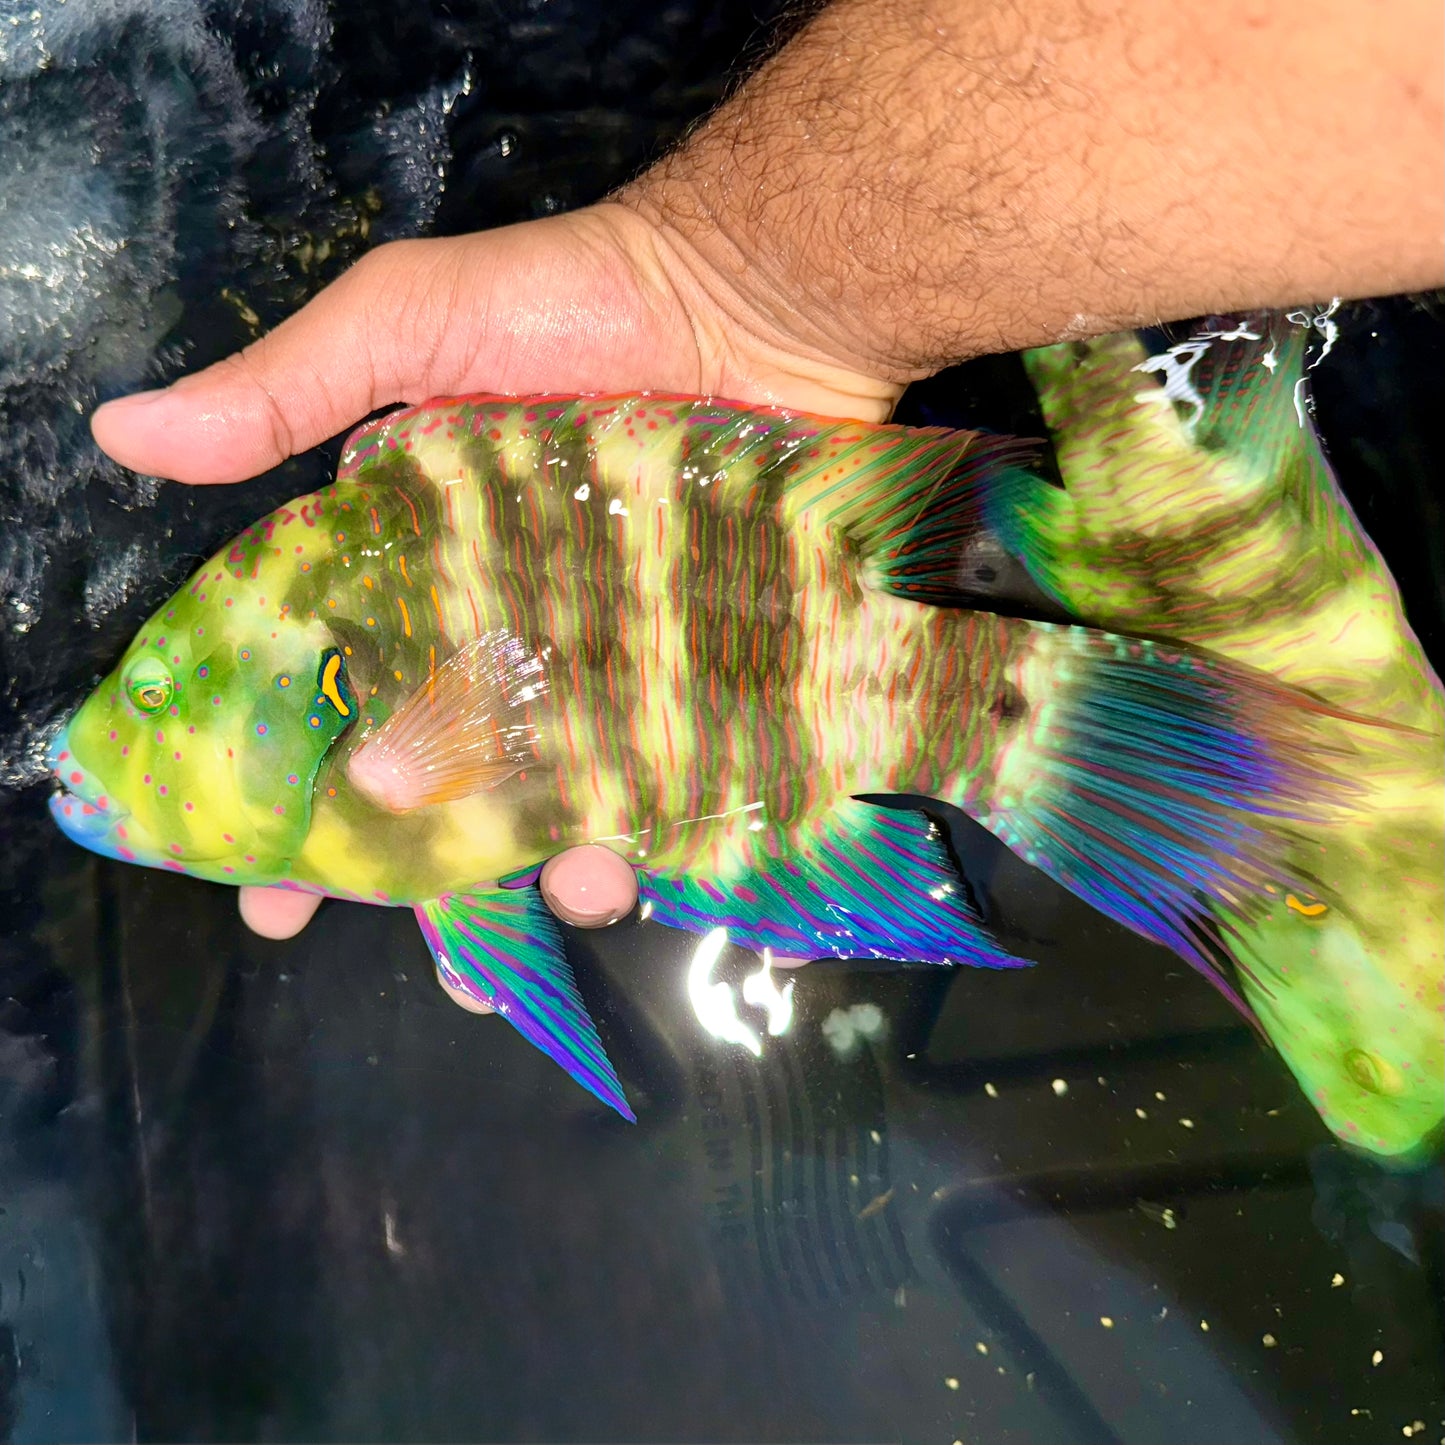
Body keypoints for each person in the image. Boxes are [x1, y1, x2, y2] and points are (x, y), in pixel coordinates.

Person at [88, 0, 1443, 1012]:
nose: (107, 740)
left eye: (152, 695)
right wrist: (738, 277)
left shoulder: (363, 728)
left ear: (327, 696)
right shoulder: (345, 659)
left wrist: (742, 281)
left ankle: (1248, 782)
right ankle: (1264, 785)